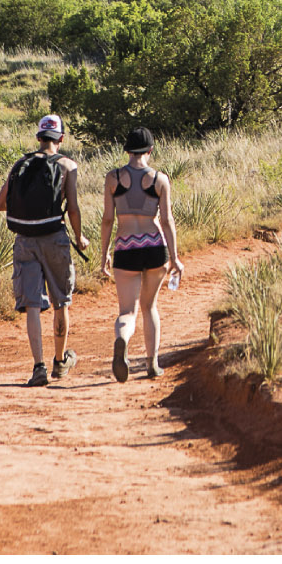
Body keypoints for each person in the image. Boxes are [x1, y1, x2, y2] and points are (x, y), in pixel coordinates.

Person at [0, 114, 89, 387]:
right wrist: (80, 237)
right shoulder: (68, 165)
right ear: (61, 138)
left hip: (24, 240)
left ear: (38, 137)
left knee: (33, 304)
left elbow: (0, 204)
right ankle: (60, 362)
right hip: (54, 239)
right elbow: (72, 207)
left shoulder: (20, 164)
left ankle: (38, 367)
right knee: (61, 300)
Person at [97, 125, 182, 381]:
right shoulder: (160, 179)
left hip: (125, 247)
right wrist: (175, 257)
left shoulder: (112, 178)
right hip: (155, 247)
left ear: (126, 151)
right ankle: (152, 364)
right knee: (150, 307)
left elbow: (107, 220)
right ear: (150, 150)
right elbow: (166, 220)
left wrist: (104, 256)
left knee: (127, 312)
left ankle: (122, 338)